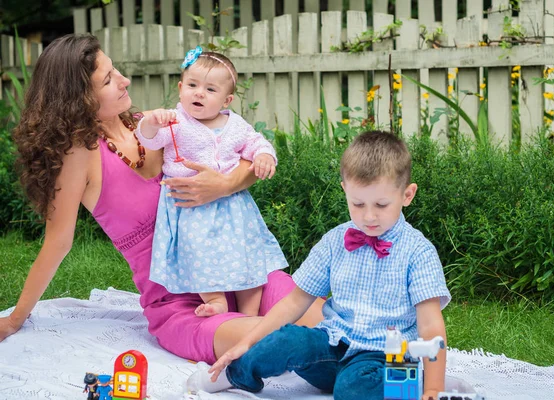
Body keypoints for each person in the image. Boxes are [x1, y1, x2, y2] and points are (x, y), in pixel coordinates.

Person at [0, 33, 323, 364]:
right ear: (79, 97)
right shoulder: (80, 156)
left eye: (116, 71)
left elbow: (248, 156)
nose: (125, 81)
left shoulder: (154, 127)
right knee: (286, 343)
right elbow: (58, 242)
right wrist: (14, 319)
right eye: (110, 79)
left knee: (332, 325)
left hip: (240, 271)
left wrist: (224, 185)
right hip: (182, 303)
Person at [207, 131, 451, 400]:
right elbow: (294, 302)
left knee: (354, 388)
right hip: (335, 345)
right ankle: (236, 376)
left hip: (386, 356)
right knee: (286, 340)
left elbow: (430, 326)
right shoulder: (335, 241)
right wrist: (246, 343)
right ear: (345, 189)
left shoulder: (418, 251)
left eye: (381, 205)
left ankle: (413, 383)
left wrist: (434, 391)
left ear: (407, 195)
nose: (369, 216)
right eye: (358, 204)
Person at [135, 47, 286, 318]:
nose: (199, 93)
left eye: (210, 89)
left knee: (246, 255)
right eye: (192, 85)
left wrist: (264, 156)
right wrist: (151, 123)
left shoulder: (236, 126)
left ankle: (250, 313)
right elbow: (149, 140)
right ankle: (216, 300)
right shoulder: (175, 121)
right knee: (199, 253)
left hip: (233, 208)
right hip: (192, 208)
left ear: (226, 100)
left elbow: (256, 142)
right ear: (181, 88)